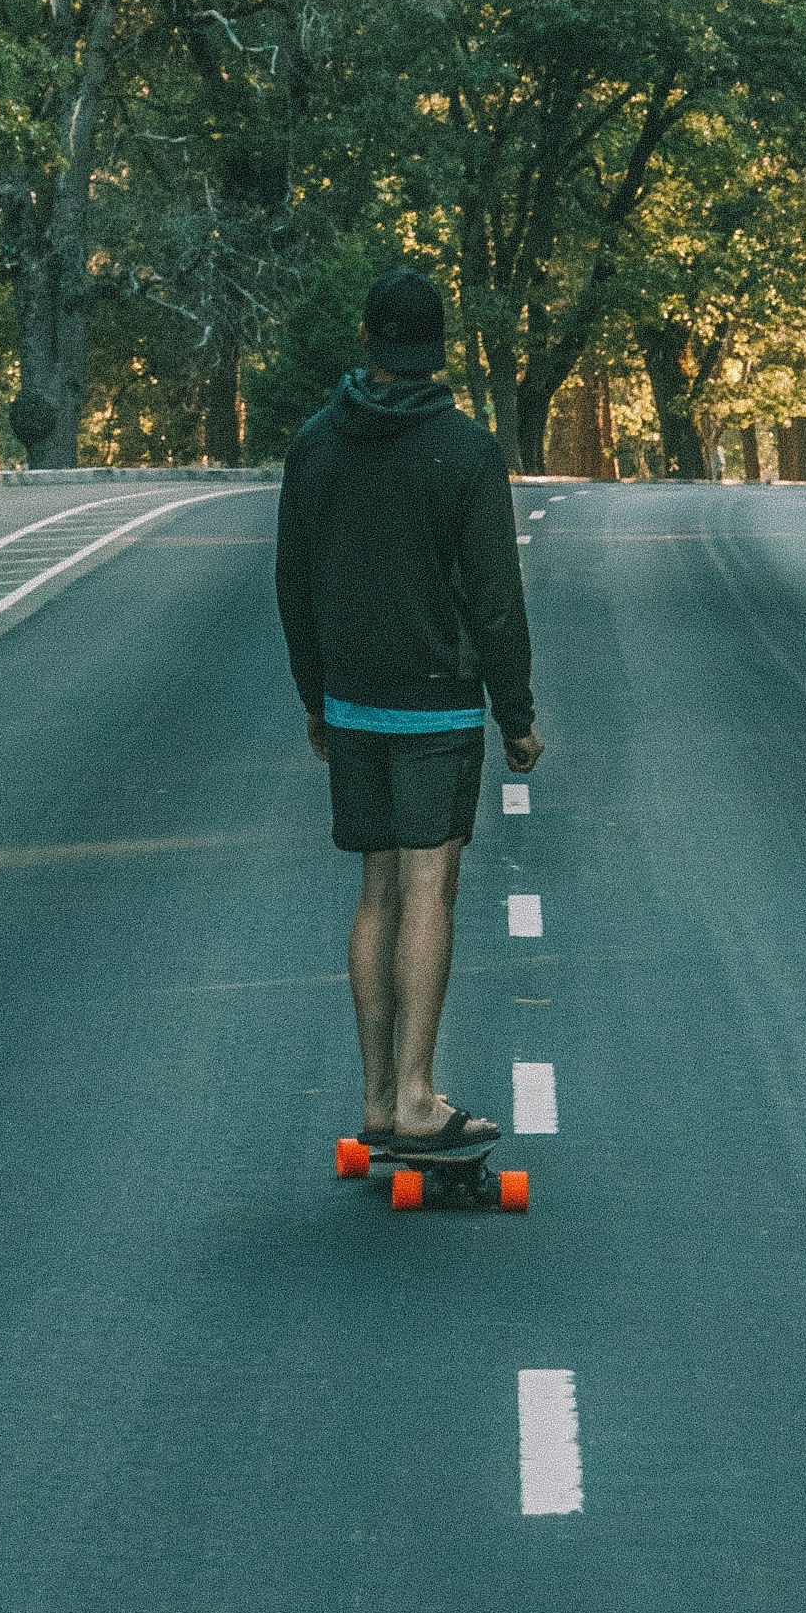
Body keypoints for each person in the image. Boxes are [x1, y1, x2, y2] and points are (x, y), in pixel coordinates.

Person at [275, 260, 542, 1151]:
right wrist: (517, 713)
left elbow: (293, 584)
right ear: (439, 348)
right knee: (431, 883)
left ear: (367, 339)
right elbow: (494, 597)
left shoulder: (316, 444)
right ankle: (420, 1096)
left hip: (353, 703)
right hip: (436, 706)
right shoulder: (465, 452)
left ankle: (377, 1098)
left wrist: (317, 697)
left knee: (376, 891)